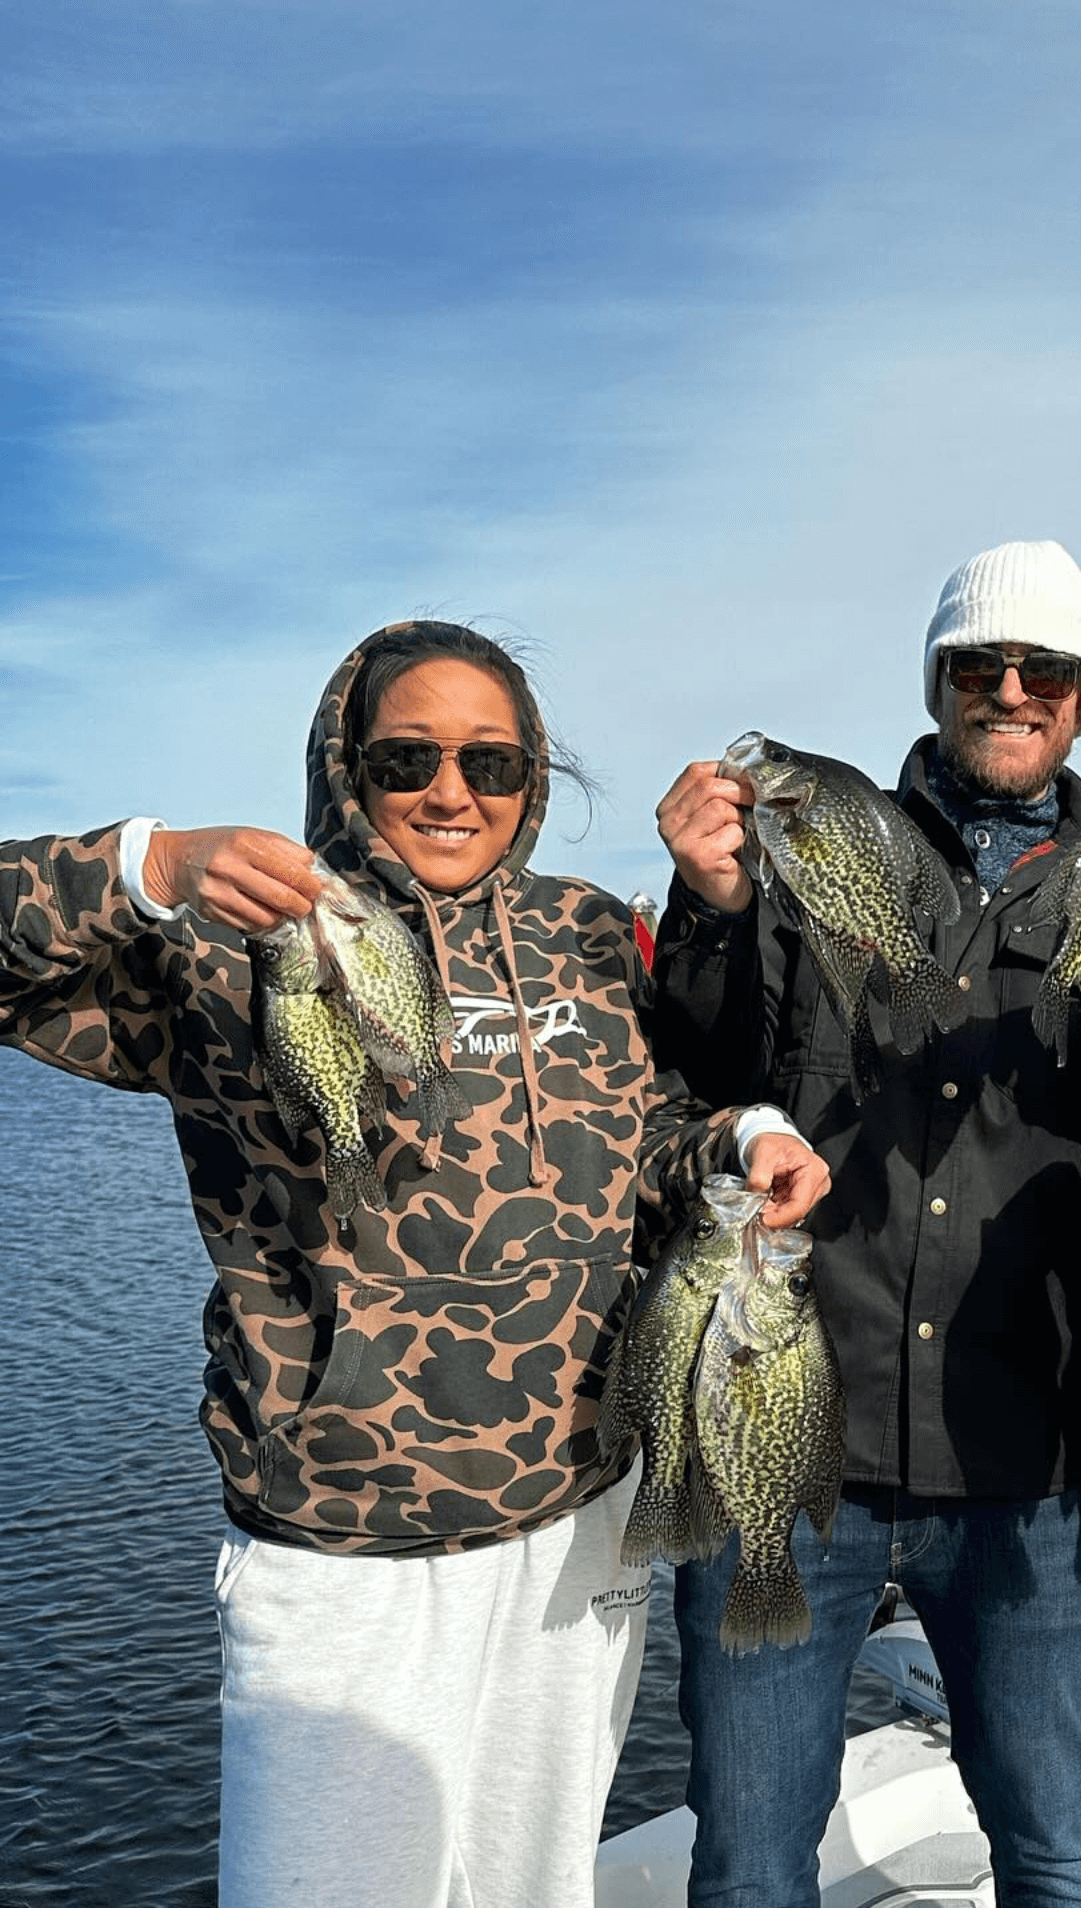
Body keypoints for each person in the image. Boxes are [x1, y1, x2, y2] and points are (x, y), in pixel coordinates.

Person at [0, 619, 828, 1908]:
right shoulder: (222, 944)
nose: (453, 793)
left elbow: (646, 1131)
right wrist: (145, 865)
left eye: (491, 766)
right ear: (348, 766)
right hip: (343, 1558)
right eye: (410, 759)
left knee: (532, 1889)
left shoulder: (590, 931)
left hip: (576, 1527)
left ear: (533, 781)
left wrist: (747, 1142)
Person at [651, 540, 1081, 1907]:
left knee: (1062, 1841)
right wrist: (706, 910)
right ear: (936, 683)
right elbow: (705, 1073)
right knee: (751, 1861)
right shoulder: (811, 847)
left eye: (1045, 667)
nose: (1011, 688)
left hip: (1022, 1448)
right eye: (978, 665)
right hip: (787, 1413)